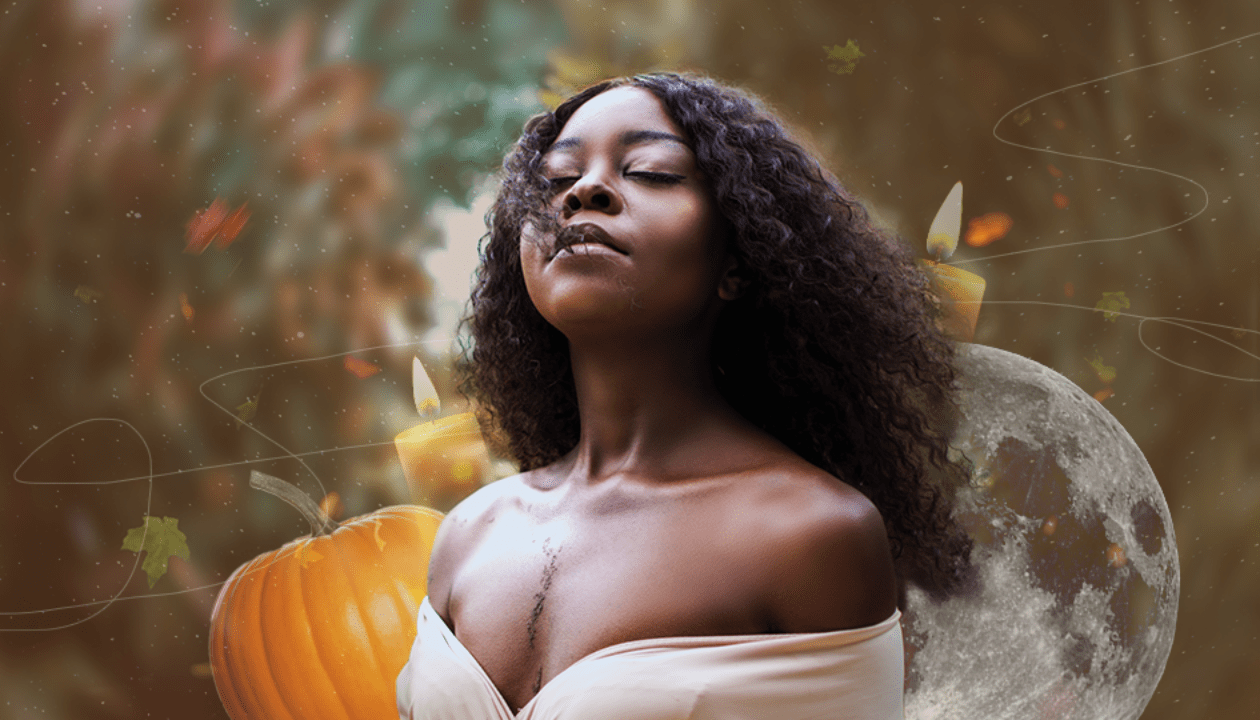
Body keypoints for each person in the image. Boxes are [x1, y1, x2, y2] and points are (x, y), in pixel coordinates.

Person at [397, 72, 974, 720]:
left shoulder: (808, 536)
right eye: (557, 180)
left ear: (738, 260)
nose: (586, 190)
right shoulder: (470, 535)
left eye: (651, 172)